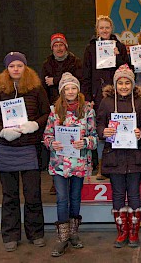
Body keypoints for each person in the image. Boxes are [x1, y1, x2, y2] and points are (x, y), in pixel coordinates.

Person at [0, 52, 49, 252]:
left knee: (32, 195)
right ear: (7, 69)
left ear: (25, 68)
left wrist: (34, 125)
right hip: (6, 149)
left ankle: (36, 233)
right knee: (9, 196)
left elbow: (47, 114)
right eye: (12, 66)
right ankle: (10, 235)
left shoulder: (36, 89)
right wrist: (2, 131)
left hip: (29, 148)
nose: (15, 69)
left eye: (19, 66)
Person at [43, 72, 98, 257]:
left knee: (75, 198)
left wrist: (86, 142)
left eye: (74, 88)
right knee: (61, 199)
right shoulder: (54, 111)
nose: (71, 91)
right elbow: (47, 136)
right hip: (59, 163)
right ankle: (62, 237)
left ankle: (74, 234)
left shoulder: (88, 110)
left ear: (78, 90)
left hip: (79, 162)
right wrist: (52, 143)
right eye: (67, 88)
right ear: (62, 91)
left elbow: (95, 138)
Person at [96, 64, 141, 248]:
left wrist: (140, 132)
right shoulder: (106, 102)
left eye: (128, 82)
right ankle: (122, 232)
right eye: (121, 83)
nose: (124, 86)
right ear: (115, 85)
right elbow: (99, 125)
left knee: (134, 193)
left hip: (135, 156)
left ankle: (134, 232)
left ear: (133, 84)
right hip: (114, 156)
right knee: (118, 194)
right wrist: (105, 131)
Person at [81, 15, 130, 180]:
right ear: (97, 30)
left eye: (107, 27)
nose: (104, 30)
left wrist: (118, 56)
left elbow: (128, 69)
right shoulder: (90, 49)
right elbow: (86, 75)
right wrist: (88, 97)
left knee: (118, 127)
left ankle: (119, 165)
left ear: (111, 29)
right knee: (102, 130)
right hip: (99, 96)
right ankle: (102, 167)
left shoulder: (120, 46)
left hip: (118, 95)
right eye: (101, 28)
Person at [41, 32, 83, 195]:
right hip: (55, 107)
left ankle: (76, 177)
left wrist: (56, 80)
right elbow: (44, 85)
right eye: (55, 45)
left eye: (61, 45)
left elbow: (77, 80)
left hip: (74, 107)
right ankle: (56, 179)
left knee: (75, 141)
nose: (59, 48)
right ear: (52, 48)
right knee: (57, 143)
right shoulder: (47, 63)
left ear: (66, 46)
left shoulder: (76, 61)